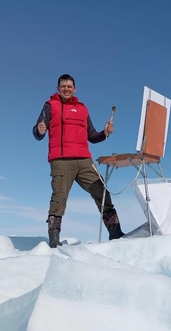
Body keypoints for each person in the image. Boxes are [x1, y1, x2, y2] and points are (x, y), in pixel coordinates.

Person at [33, 74, 125, 247]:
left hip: (84, 160)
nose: (66, 89)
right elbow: (37, 133)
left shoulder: (82, 109)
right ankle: (54, 241)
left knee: (102, 191)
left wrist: (105, 133)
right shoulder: (50, 106)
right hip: (61, 160)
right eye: (63, 86)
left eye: (69, 86)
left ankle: (116, 233)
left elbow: (92, 136)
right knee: (58, 198)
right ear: (58, 88)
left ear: (75, 89)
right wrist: (40, 129)